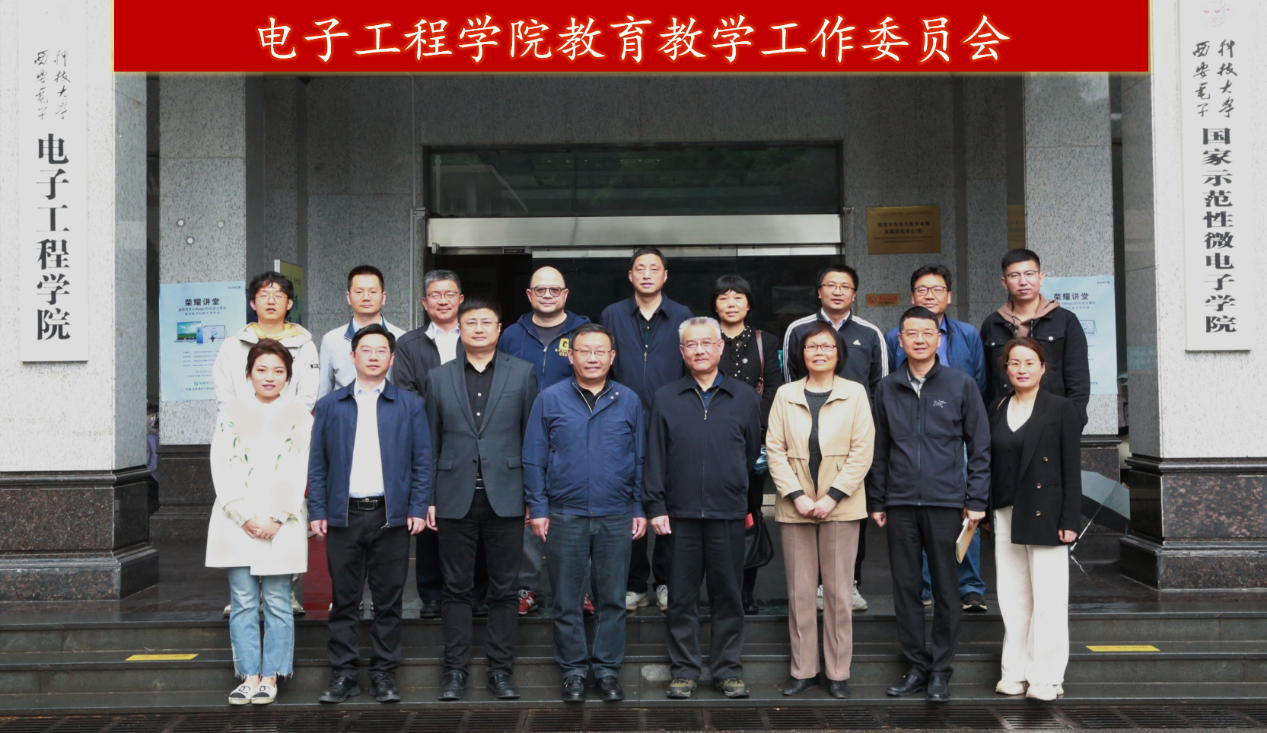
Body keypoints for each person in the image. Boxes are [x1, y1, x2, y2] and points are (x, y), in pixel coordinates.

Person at [869, 306, 990, 704]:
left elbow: (980, 446)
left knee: (946, 589)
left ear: (939, 339)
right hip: (900, 502)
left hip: (947, 502)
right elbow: (879, 448)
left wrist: (976, 499)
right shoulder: (886, 388)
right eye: (911, 333)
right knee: (905, 588)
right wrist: (878, 498)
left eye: (927, 333)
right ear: (899, 340)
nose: (919, 340)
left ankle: (940, 670)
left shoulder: (960, 384)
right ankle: (916, 666)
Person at [307, 324, 432, 705]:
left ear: (392, 358)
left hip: (390, 517)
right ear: (352, 356)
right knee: (344, 600)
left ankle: (383, 674)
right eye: (366, 350)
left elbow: (422, 462)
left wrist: (417, 507)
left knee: (388, 601)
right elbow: (318, 463)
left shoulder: (409, 404)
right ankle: (343, 674)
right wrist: (317, 509)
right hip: (343, 516)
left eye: (381, 351)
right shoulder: (330, 405)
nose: (373, 356)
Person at [522, 323, 646, 703]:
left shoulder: (629, 400)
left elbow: (640, 458)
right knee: (566, 599)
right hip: (565, 513)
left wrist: (638, 506)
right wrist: (538, 507)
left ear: (612, 357)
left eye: (600, 351)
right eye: (584, 351)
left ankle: (607, 671)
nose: (592, 358)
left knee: (612, 599)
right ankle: (573, 671)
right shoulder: (550, 398)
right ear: (571, 356)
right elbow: (534, 457)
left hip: (615, 513)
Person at [425, 297, 539, 702]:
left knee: (505, 589)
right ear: (459, 329)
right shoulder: (438, 377)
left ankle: (500, 671)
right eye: (470, 322)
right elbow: (430, 442)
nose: (478, 328)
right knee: (455, 588)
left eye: (486, 322)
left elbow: (531, 440)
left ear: (499, 328)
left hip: (506, 496)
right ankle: (454, 672)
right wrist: (428, 497)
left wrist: (533, 496)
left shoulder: (522, 373)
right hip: (453, 495)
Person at [644, 317, 763, 701]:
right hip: (679, 515)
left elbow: (749, 453)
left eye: (706, 343)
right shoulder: (666, 397)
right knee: (681, 597)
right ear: (682, 351)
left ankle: (728, 670)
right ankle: (684, 671)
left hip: (727, 512)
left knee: (728, 595)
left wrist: (732, 487)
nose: (699, 350)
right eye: (691, 345)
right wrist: (656, 505)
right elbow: (655, 455)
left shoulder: (745, 397)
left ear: (720, 347)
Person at [766, 322, 874, 700]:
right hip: (795, 504)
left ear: (839, 353)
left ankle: (838, 672)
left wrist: (834, 496)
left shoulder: (855, 392)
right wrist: (796, 494)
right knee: (799, 593)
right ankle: (803, 670)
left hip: (841, 506)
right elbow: (774, 448)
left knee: (839, 593)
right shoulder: (785, 394)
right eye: (812, 346)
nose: (819, 352)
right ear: (801, 353)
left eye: (827, 346)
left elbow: (863, 449)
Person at [206, 339, 312, 706]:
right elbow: (221, 464)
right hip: (236, 521)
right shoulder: (230, 413)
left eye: (279, 371)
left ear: (288, 377)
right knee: (243, 600)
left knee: (280, 601)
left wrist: (278, 516)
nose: (270, 377)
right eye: (262, 369)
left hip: (283, 521)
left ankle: (272, 676)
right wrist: (243, 514)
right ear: (248, 374)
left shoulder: (300, 416)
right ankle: (248, 675)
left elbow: (299, 468)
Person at [781, 263, 887, 613]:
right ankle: (812, 584)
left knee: (850, 512)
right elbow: (789, 379)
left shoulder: (870, 333)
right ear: (819, 291)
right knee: (805, 519)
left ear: (855, 294)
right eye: (831, 285)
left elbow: (879, 387)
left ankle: (850, 582)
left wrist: (868, 435)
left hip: (853, 436)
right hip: (805, 434)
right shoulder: (798, 329)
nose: (838, 291)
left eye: (845, 286)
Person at [883, 265, 990, 613]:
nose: (929, 295)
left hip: (953, 430)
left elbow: (979, 381)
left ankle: (969, 585)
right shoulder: (893, 336)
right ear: (912, 296)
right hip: (911, 430)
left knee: (965, 511)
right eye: (922, 289)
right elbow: (891, 380)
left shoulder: (967, 333)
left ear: (949, 295)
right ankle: (926, 585)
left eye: (937, 289)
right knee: (919, 517)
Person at [987, 338, 1081, 702]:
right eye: (1014, 363)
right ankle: (1014, 672)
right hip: (1006, 510)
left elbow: (1071, 468)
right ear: (1006, 369)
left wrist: (1070, 518)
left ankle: (1046, 677)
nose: (1021, 369)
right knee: (1012, 596)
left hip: (1047, 511)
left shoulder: (1060, 408)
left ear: (1043, 368)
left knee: (1049, 597)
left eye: (1029, 362)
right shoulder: (997, 406)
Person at [600, 247, 693, 614]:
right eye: (640, 268)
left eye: (654, 268)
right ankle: (634, 584)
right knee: (628, 503)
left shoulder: (682, 315)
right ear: (631, 275)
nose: (647, 274)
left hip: (671, 420)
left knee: (670, 502)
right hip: (622, 421)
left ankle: (667, 581)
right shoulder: (612, 314)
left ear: (665, 276)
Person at [499, 266, 591, 617]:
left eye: (555, 290)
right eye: (541, 290)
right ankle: (525, 587)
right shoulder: (511, 335)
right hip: (521, 435)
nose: (548, 295)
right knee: (526, 511)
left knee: (577, 513)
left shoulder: (584, 332)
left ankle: (581, 590)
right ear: (529, 294)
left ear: (565, 294)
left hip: (573, 436)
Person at [394, 269, 465, 620]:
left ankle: (469, 590)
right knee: (429, 513)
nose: (443, 300)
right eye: (435, 295)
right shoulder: (408, 344)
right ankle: (432, 594)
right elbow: (405, 392)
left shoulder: (477, 334)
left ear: (460, 299)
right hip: (425, 437)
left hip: (471, 438)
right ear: (424, 302)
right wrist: (441, 412)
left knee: (469, 514)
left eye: (449, 294)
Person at [712, 274, 783, 614]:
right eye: (724, 297)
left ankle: (745, 590)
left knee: (750, 513)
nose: (731, 303)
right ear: (715, 305)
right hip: (712, 439)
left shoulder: (765, 341)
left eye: (738, 297)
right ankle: (719, 588)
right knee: (714, 517)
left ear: (749, 303)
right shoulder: (706, 338)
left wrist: (756, 427)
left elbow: (774, 387)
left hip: (753, 441)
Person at [980, 249, 1090, 427]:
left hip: (1053, 420)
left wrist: (1072, 423)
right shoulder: (992, 323)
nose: (1023, 281)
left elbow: (1078, 379)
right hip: (1004, 421)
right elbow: (986, 380)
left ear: (1041, 277)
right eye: (1014, 275)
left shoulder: (1065, 320)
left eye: (1029, 274)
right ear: (1004, 282)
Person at [213, 271, 319, 412]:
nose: (271, 301)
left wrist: (289, 420)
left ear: (289, 303)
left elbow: (308, 394)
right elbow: (224, 392)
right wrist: (237, 419)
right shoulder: (232, 346)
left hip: (289, 423)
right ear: (252, 303)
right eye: (263, 295)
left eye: (278, 296)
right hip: (240, 422)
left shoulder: (304, 345)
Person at [317, 265, 406, 399]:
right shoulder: (331, 340)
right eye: (359, 292)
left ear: (383, 297)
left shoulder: (402, 338)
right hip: (345, 411)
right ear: (348, 297)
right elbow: (323, 392)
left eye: (373, 292)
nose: (366, 297)